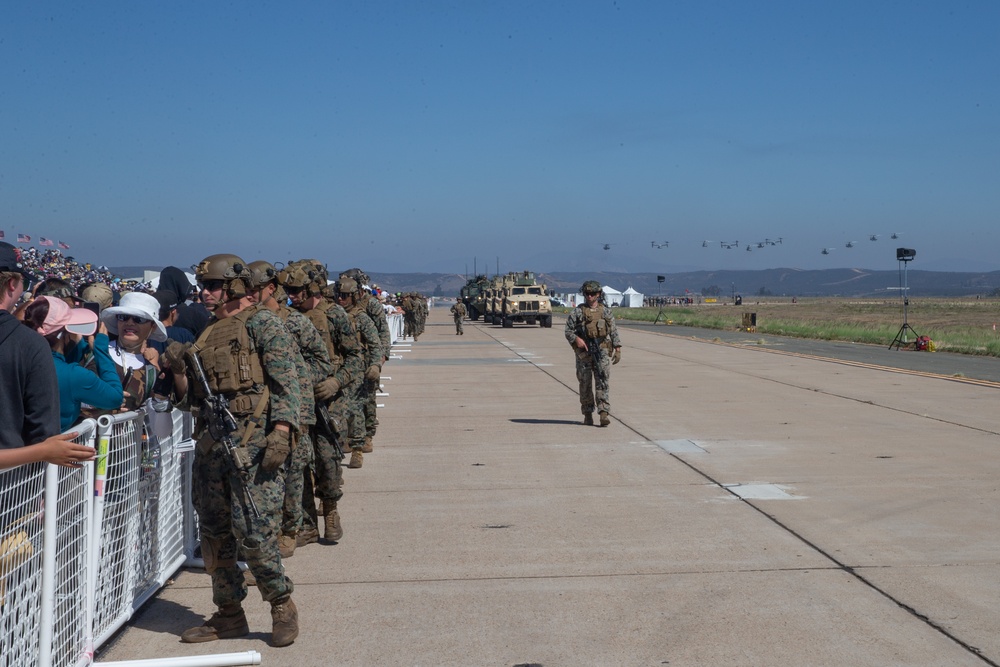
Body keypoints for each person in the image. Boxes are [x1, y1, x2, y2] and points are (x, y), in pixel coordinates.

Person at [166, 253, 301, 647]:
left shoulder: (262, 323)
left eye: (211, 286)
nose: (204, 293)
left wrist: (282, 431)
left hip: (253, 446)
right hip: (213, 447)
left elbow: (288, 382)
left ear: (235, 286)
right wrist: (177, 368)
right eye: (202, 286)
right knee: (213, 532)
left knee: (255, 533)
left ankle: (281, 604)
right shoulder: (208, 332)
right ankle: (228, 614)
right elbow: (191, 400)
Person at [247, 260, 334, 556]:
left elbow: (322, 361)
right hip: (257, 414)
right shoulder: (245, 322)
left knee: (296, 470)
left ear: (270, 289)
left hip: (296, 409)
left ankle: (290, 530)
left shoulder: (294, 321)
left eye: (254, 288)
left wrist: (292, 378)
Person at [280, 260, 362, 535]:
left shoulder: (335, 315)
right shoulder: (286, 318)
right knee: (298, 463)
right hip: (299, 402)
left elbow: (354, 358)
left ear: (312, 288)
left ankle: (330, 508)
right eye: (288, 290)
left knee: (327, 460)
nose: (291, 296)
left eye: (296, 290)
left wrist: (336, 382)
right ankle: (305, 524)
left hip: (330, 402)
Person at [0, 242, 95, 467]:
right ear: (12, 284)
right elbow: (44, 433)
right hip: (13, 489)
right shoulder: (29, 344)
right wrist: (45, 451)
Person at [22, 296, 123, 431]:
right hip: (50, 449)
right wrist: (101, 351)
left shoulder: (14, 360)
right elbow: (115, 398)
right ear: (64, 335)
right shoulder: (73, 374)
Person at [333, 276, 382, 467]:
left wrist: (375, 365)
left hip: (356, 371)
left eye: (345, 296)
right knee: (335, 414)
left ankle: (358, 449)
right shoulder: (332, 315)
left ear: (354, 296)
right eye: (339, 295)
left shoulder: (361, 318)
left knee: (355, 411)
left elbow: (375, 343)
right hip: (335, 370)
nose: (341, 299)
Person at [564, 281, 622, 427]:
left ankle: (603, 413)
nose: (589, 297)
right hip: (584, 353)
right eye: (587, 294)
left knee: (602, 381)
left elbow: (613, 330)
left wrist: (618, 347)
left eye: (593, 294)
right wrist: (577, 339)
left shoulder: (605, 311)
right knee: (585, 383)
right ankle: (587, 413)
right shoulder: (578, 312)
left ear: (598, 294)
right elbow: (568, 331)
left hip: (601, 351)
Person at [99, 292, 168, 413]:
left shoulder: (151, 373)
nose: (130, 323)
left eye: (138, 319)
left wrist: (161, 401)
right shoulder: (96, 353)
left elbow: (161, 430)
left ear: (153, 327)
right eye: (123, 317)